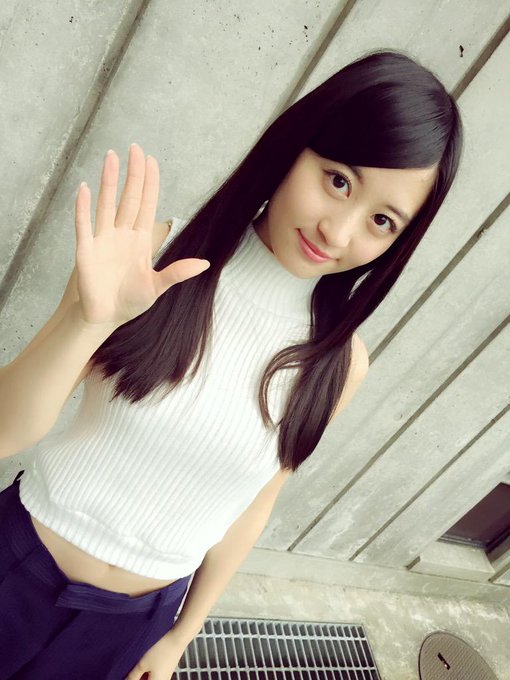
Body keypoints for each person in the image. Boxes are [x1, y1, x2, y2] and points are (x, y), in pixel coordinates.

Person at [0, 48, 463, 679]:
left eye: (381, 221)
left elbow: (251, 506)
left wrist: (179, 637)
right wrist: (85, 321)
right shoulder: (157, 259)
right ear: (296, 147)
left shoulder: (338, 364)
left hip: (130, 625)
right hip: (17, 566)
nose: (337, 231)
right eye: (338, 181)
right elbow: (8, 430)